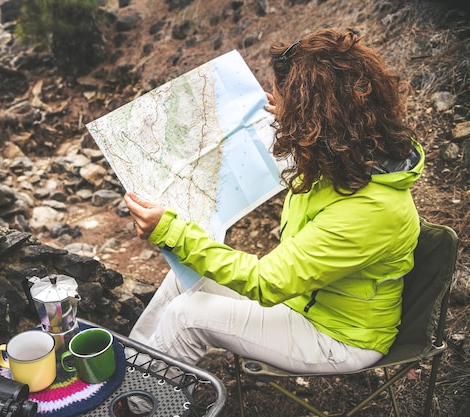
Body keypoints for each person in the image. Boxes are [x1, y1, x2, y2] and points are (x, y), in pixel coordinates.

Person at [123, 27, 424, 374]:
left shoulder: (371, 213)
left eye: (281, 100)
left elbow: (267, 283)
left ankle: (141, 404)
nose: (275, 106)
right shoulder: (351, 156)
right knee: (183, 276)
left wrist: (170, 231)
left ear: (315, 119)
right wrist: (288, 119)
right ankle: (132, 370)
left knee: (186, 316)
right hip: (304, 301)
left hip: (338, 336)